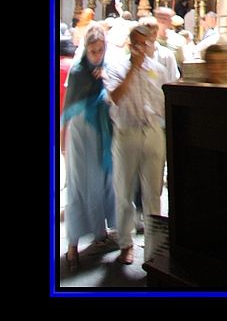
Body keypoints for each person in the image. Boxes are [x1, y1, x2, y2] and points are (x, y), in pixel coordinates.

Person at [105, 23, 169, 264]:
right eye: (137, 44)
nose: (142, 49)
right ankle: (125, 243)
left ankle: (154, 246)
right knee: (124, 192)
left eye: (145, 43)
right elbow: (116, 96)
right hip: (127, 134)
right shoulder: (116, 68)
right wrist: (133, 68)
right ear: (130, 45)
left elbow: (164, 102)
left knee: (153, 192)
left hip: (152, 132)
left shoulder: (159, 70)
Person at [61, 24, 117, 272]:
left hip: (101, 134)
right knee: (78, 186)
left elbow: (115, 97)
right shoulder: (78, 71)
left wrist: (106, 78)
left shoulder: (107, 68)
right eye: (93, 51)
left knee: (100, 182)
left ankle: (99, 232)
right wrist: (62, 142)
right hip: (81, 134)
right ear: (86, 49)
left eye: (100, 50)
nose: (97, 55)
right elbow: (69, 108)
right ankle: (72, 245)